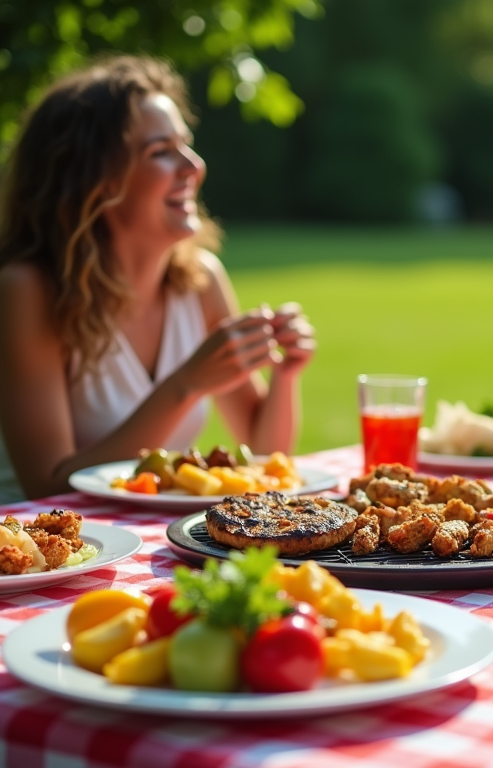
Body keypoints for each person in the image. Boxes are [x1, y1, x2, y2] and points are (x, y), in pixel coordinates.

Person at [0, 55, 316, 503]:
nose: (193, 166)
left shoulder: (199, 280)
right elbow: (48, 484)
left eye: (186, 145)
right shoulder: (28, 289)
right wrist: (185, 385)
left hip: (144, 545)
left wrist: (286, 375)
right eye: (161, 152)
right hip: (37, 555)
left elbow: (268, 458)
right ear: (97, 180)